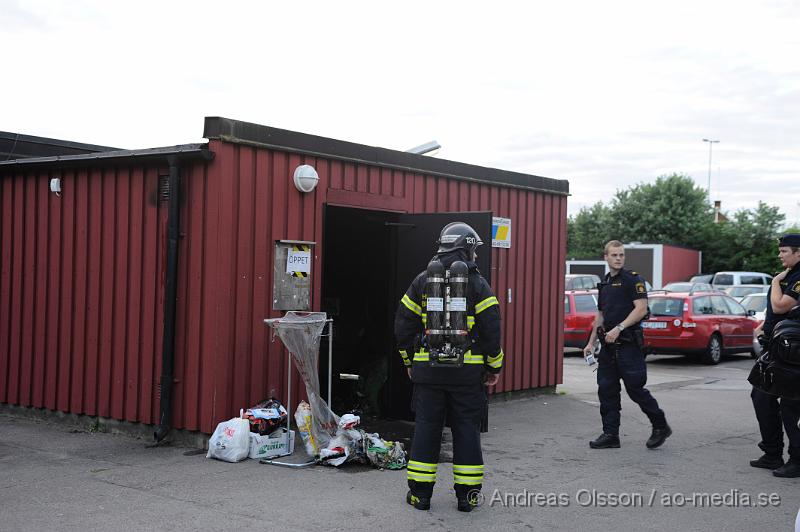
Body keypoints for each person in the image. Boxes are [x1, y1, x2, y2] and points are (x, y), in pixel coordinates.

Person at [395, 222, 504, 512]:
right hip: (467, 376)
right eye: (475, 250)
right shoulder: (477, 283)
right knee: (466, 430)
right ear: (465, 247)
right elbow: (492, 329)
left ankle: (420, 496)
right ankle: (467, 497)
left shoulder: (421, 281)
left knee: (427, 430)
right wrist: (494, 366)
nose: (477, 256)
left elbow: (402, 326)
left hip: (428, 374)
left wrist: (409, 362)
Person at [583, 240, 671, 449]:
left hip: (629, 345)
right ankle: (611, 434)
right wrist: (590, 342)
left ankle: (660, 425)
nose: (618, 258)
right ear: (606, 257)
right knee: (606, 390)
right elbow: (601, 315)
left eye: (621, 255)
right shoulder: (604, 283)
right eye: (614, 255)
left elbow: (641, 309)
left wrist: (619, 328)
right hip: (608, 348)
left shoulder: (633, 280)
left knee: (635, 389)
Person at [750, 233, 800, 478]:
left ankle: (796, 459)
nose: (780, 255)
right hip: (776, 348)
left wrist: (774, 284)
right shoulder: (790, 275)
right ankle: (772, 453)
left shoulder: (797, 277)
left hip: (791, 352)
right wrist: (764, 327)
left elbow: (781, 306)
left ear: (799, 252)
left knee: (791, 404)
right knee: (762, 396)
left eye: (784, 251)